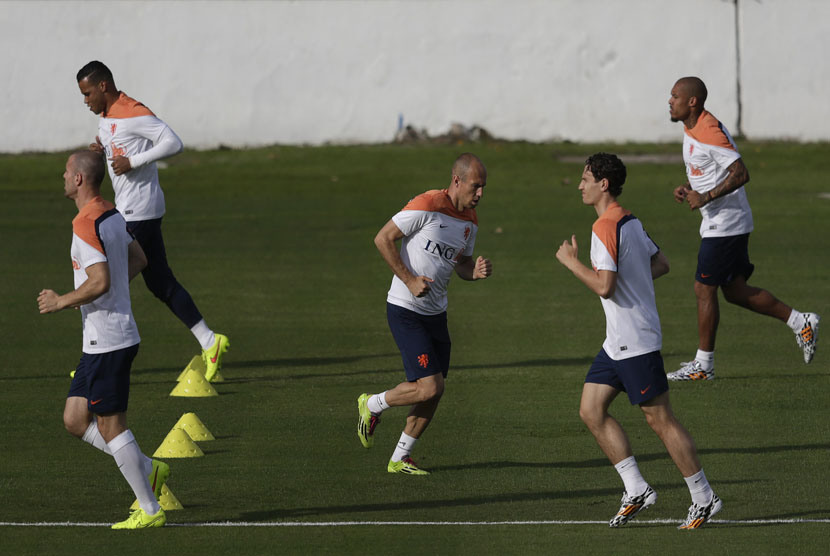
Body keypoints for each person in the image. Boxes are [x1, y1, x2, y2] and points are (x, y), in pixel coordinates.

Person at [556, 153, 721, 529]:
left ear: (604, 184)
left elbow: (604, 285)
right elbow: (660, 263)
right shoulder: (630, 220)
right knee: (591, 409)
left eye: (585, 179)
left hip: (635, 339)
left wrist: (570, 262)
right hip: (618, 341)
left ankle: (704, 497)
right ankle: (637, 489)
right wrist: (633, 278)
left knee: (660, 419)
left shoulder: (603, 228)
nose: (580, 185)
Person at [38, 151, 168, 529]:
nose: (62, 177)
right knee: (75, 419)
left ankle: (149, 509)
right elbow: (139, 259)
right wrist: (111, 295)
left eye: (66, 172)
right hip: (100, 340)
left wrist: (62, 300)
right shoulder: (110, 214)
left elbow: (100, 281)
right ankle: (146, 467)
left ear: (79, 179)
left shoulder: (84, 224)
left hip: (109, 341)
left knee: (112, 427)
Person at [76, 61, 228, 381]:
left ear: (103, 86)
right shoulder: (106, 117)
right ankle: (210, 341)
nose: (85, 100)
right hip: (133, 209)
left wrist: (133, 160)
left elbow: (173, 142)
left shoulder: (133, 111)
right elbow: (118, 145)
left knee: (103, 284)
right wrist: (103, 150)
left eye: (88, 93)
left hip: (138, 212)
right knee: (158, 282)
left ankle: (97, 364)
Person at [667, 76, 819, 381]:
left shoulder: (708, 130)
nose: (670, 102)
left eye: (674, 97)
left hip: (726, 224)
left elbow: (740, 172)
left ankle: (703, 366)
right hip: (723, 222)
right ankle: (800, 321)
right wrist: (689, 187)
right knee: (735, 291)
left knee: (703, 287)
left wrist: (706, 196)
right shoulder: (692, 128)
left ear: (692, 101)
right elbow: (710, 169)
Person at [356, 153, 493, 475]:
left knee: (435, 389)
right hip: (406, 309)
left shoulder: (470, 221)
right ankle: (372, 404)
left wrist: (476, 272)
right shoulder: (427, 203)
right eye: (476, 186)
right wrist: (409, 279)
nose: (480, 194)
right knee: (429, 387)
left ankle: (399, 458)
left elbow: (461, 263)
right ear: (457, 181)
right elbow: (383, 238)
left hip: (436, 314)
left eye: (484, 187)